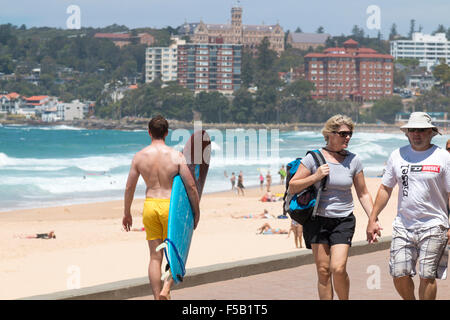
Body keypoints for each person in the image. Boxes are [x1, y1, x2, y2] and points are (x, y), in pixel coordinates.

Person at [288, 114, 375, 300]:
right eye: (343, 133)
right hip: (317, 220)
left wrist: (373, 219)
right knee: (323, 270)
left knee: (338, 268)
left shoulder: (354, 160)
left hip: (343, 220)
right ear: (330, 133)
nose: (348, 137)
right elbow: (293, 186)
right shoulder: (313, 158)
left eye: (350, 133)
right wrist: (315, 176)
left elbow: (363, 193)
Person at [366, 112, 450, 300]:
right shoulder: (398, 155)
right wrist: (372, 219)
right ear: (407, 133)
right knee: (399, 273)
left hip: (435, 225)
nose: (416, 134)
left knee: (427, 275)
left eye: (421, 130)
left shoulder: (443, 157)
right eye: (412, 130)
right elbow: (385, 189)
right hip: (403, 226)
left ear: (431, 132)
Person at [122, 115, 200, 300]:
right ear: (166, 133)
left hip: (150, 206)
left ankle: (157, 297)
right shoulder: (176, 156)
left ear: (149, 132)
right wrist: (196, 212)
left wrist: (127, 212)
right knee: (175, 251)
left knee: (154, 257)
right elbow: (190, 186)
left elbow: (129, 187)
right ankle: (166, 288)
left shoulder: (139, 157)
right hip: (171, 208)